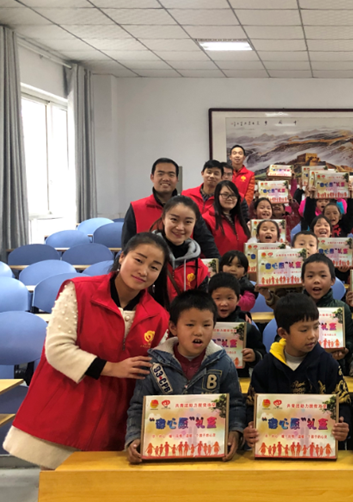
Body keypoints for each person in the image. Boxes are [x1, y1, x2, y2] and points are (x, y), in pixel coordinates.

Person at [4, 233, 171, 469]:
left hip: (114, 422)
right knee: (56, 484)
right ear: (122, 257)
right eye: (139, 260)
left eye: (154, 267)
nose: (144, 271)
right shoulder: (79, 291)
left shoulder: (159, 316)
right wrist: (112, 368)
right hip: (65, 411)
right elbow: (57, 349)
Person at [124, 290, 246, 463]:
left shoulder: (223, 362)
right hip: (164, 450)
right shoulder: (153, 363)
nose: (199, 332)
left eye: (206, 325)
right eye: (190, 325)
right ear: (173, 327)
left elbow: (235, 404)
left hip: (209, 451)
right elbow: (138, 407)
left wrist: (235, 432)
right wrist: (134, 437)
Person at [242, 294, 351, 446]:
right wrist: (250, 428)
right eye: (304, 330)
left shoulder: (328, 364)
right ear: (283, 333)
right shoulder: (264, 368)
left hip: (318, 446)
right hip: (277, 446)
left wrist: (343, 425)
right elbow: (252, 407)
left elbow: (343, 403)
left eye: (316, 327)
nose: (312, 335)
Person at [121, 157, 219, 258]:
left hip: (184, 265)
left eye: (171, 174)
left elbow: (206, 242)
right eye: (160, 174)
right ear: (152, 177)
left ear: (177, 179)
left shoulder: (189, 208)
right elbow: (127, 247)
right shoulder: (136, 208)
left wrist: (219, 264)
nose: (166, 178)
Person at [301, 254, 353, 375]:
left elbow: (350, 338)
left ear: (332, 281)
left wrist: (345, 349)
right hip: (301, 367)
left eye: (323, 276)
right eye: (310, 276)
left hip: (333, 366)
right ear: (302, 281)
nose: (316, 280)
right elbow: (282, 339)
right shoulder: (295, 308)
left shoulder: (342, 308)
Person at [208, 273, 265, 377]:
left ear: (238, 299)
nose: (223, 303)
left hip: (239, 378)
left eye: (229, 298)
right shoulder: (203, 327)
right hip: (206, 378)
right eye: (218, 298)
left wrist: (254, 356)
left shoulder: (247, 328)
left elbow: (263, 355)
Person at [156, 196, 210, 301]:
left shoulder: (199, 268)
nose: (180, 227)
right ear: (163, 218)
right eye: (174, 220)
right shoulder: (147, 256)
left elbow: (201, 305)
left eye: (188, 222)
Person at [203, 180, 250, 256]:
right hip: (220, 263)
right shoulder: (207, 220)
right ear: (217, 196)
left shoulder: (240, 219)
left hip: (240, 263)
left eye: (233, 195)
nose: (230, 198)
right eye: (225, 194)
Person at [229, 144, 255, 210]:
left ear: (244, 157)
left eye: (240, 153)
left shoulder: (250, 174)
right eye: (234, 153)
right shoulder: (225, 173)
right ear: (230, 157)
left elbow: (249, 195)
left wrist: (243, 207)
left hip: (241, 209)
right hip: (226, 207)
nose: (237, 155)